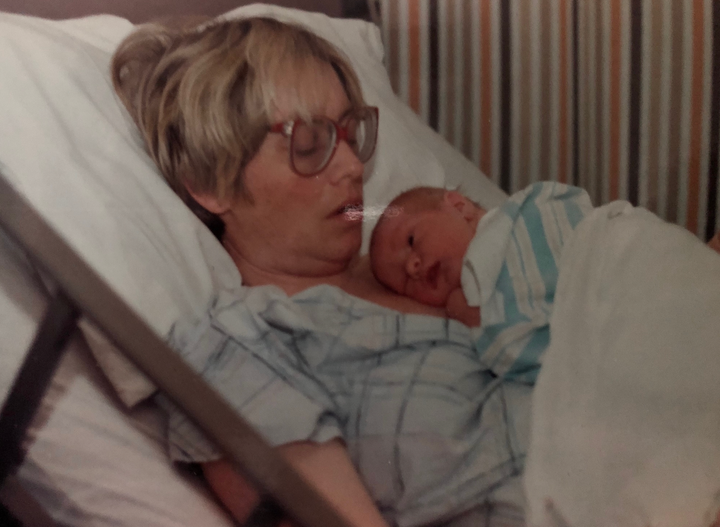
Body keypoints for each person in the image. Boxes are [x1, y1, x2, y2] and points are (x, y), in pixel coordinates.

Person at [111, 16, 529, 527]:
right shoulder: (244, 344)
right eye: (311, 144)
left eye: (352, 136)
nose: (352, 167)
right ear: (209, 181)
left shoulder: (422, 265)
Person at [370, 182, 593, 383]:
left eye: (411, 240)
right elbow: (514, 345)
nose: (411, 267)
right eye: (405, 284)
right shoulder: (478, 301)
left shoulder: (531, 208)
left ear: (459, 206)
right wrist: (465, 311)